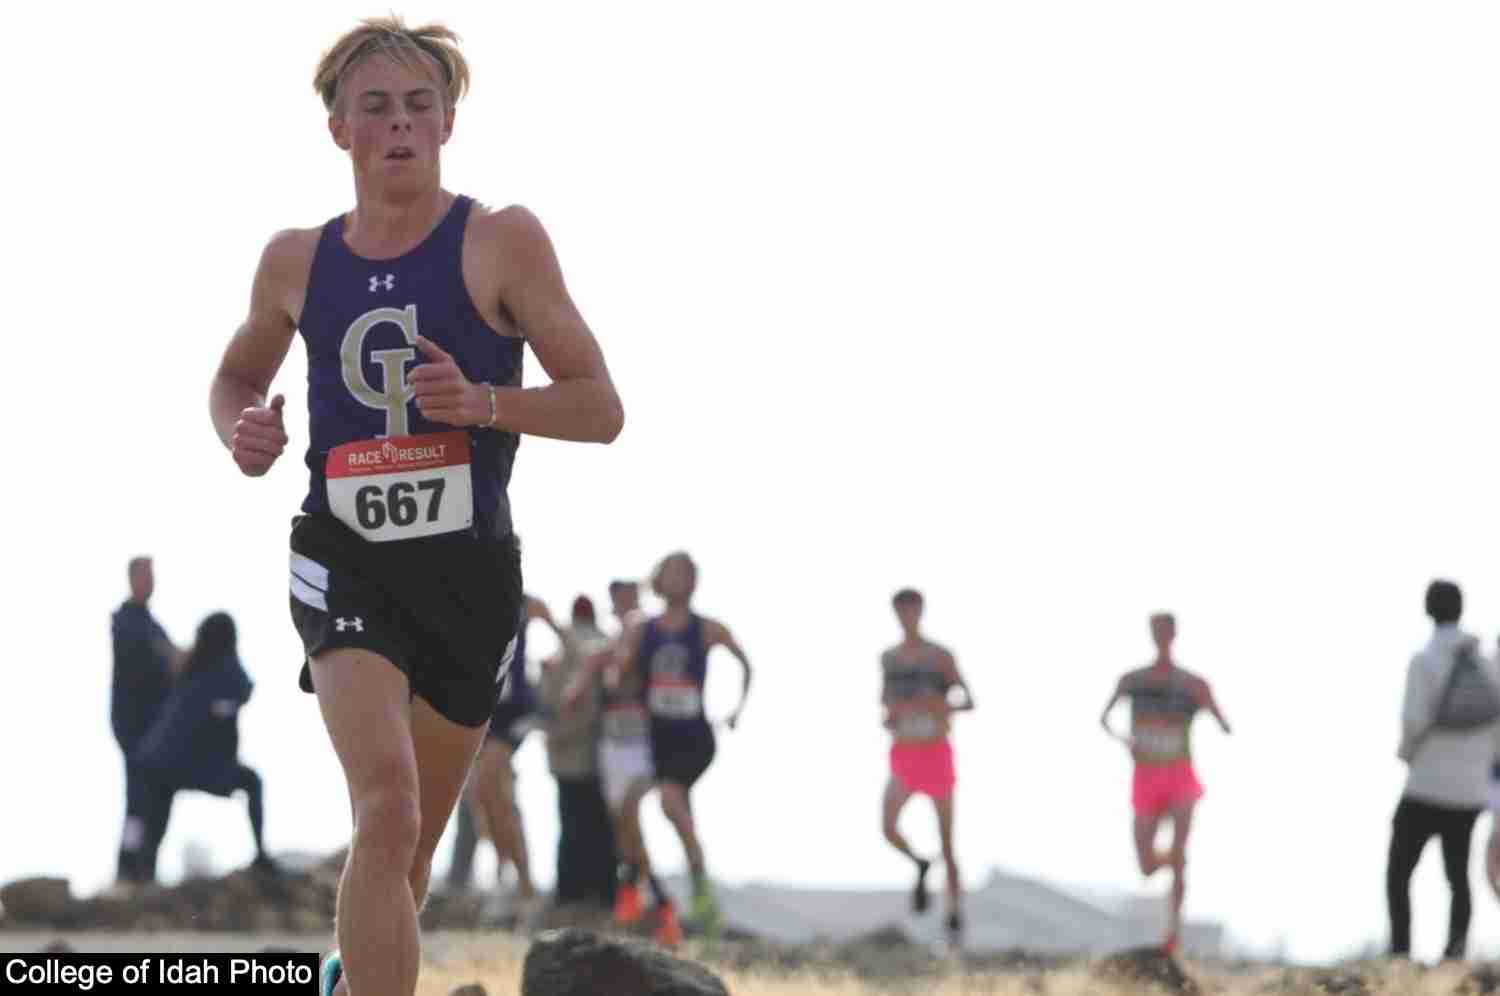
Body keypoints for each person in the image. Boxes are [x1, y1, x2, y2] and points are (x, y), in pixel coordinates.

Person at [207, 16, 623, 996]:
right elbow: (234, 379)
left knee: (411, 850)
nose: (400, 126)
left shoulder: (501, 240)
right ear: (340, 130)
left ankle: (347, 979)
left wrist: (482, 403)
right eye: (377, 108)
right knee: (384, 809)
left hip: (470, 572)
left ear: (448, 124)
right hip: (342, 552)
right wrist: (242, 432)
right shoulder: (293, 260)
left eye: (420, 107)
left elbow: (601, 409)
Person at [612, 552, 751, 929]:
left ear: (694, 582)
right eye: (672, 572)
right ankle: (642, 883)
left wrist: (736, 709)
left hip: (694, 739)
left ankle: (701, 895)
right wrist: (617, 669)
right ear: (660, 579)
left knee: (670, 803)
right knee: (629, 806)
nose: (679, 579)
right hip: (656, 738)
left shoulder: (707, 629)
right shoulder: (643, 627)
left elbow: (745, 662)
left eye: (687, 573)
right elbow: (618, 667)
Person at [1100, 612, 1232, 954]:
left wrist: (1205, 709)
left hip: (1180, 775)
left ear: (1174, 634)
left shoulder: (1193, 684)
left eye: (1166, 630)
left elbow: (1223, 722)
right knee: (1146, 864)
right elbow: (1105, 719)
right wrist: (1125, 739)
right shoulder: (1132, 680)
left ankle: (1173, 932)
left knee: (1180, 847)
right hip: (1145, 775)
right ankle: (1176, 862)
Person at [564, 579, 681, 944]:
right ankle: (651, 902)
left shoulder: (650, 638)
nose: (624, 608)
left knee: (631, 816)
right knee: (625, 833)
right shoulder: (606, 647)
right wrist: (581, 684)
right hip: (612, 746)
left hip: (642, 745)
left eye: (628, 600)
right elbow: (588, 675)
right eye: (618, 602)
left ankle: (645, 898)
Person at [1388, 580, 1500, 961]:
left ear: (1428, 609)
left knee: (1399, 871)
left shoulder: (1424, 661)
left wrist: (1407, 756)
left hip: (1426, 784)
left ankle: (1400, 953)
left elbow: (1413, 720)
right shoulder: (1487, 665)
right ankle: (1455, 954)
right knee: (1458, 876)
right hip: (1470, 790)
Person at [132, 613, 278, 874]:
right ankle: (261, 856)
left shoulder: (190, 671)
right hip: (188, 765)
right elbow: (245, 688)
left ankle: (143, 875)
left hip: (160, 763)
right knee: (251, 782)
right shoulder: (221, 671)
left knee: (154, 826)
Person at [878, 587, 975, 950]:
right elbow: (886, 702)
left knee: (948, 842)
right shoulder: (888, 658)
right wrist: (892, 717)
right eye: (900, 611)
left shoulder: (940, 657)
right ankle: (919, 863)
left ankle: (954, 918)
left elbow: (968, 699)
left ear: (920, 612)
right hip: (904, 751)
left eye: (911, 610)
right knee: (887, 827)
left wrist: (941, 706)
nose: (906, 617)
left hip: (936, 752)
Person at [469, 593, 557, 925]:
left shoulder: (528, 603)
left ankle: (512, 881)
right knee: (487, 799)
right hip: (480, 710)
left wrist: (553, 672)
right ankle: (520, 883)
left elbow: (566, 641)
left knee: (488, 784)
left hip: (514, 714)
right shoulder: (467, 597)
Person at [537, 596, 619, 911]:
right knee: (594, 827)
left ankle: (573, 894)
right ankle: (597, 895)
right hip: (592, 754)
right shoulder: (599, 644)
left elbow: (553, 702)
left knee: (574, 825)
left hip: (573, 754)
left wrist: (556, 735)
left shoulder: (571, 650)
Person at [110, 556, 186, 887]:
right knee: (138, 805)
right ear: (133, 579)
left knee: (156, 801)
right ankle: (129, 869)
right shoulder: (126, 621)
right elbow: (154, 660)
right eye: (146, 576)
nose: (151, 582)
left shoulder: (152, 624)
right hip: (134, 730)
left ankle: (145, 870)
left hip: (157, 732)